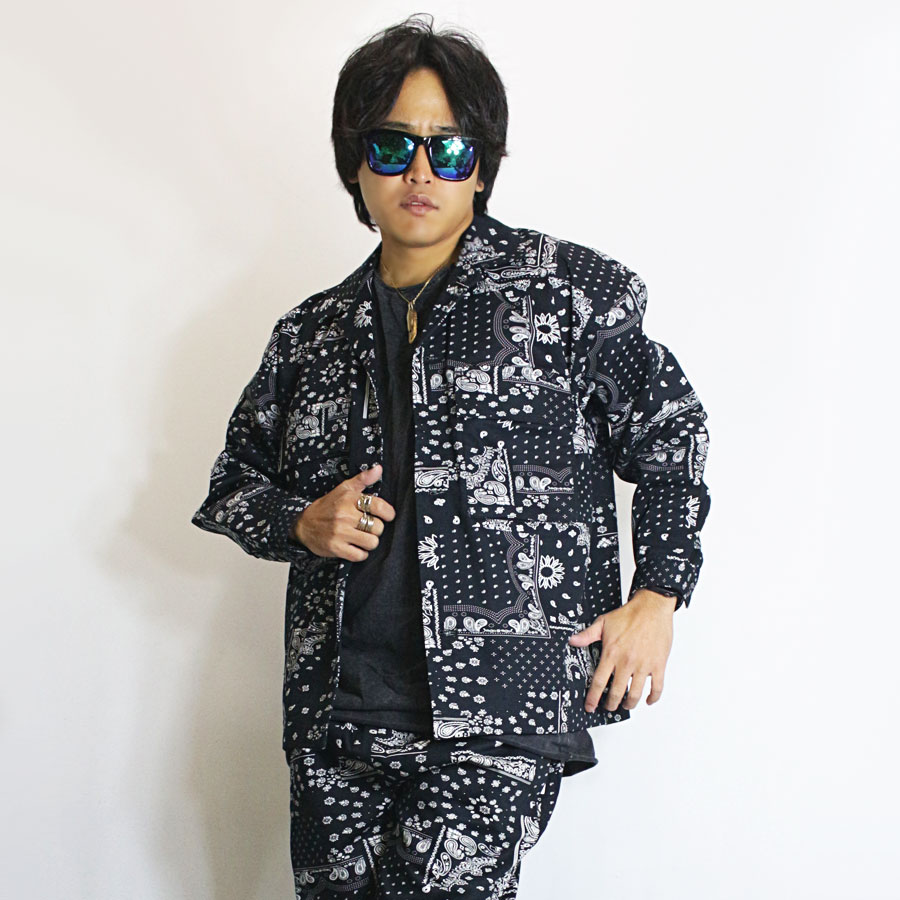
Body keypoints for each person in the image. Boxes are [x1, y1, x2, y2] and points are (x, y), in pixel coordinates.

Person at [191, 14, 711, 898]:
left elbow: (672, 435)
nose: (422, 172)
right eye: (393, 146)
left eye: (450, 148)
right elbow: (231, 484)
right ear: (356, 164)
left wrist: (657, 597)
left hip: (500, 704)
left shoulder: (566, 293)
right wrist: (301, 521)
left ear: (483, 164)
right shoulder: (310, 334)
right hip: (337, 714)